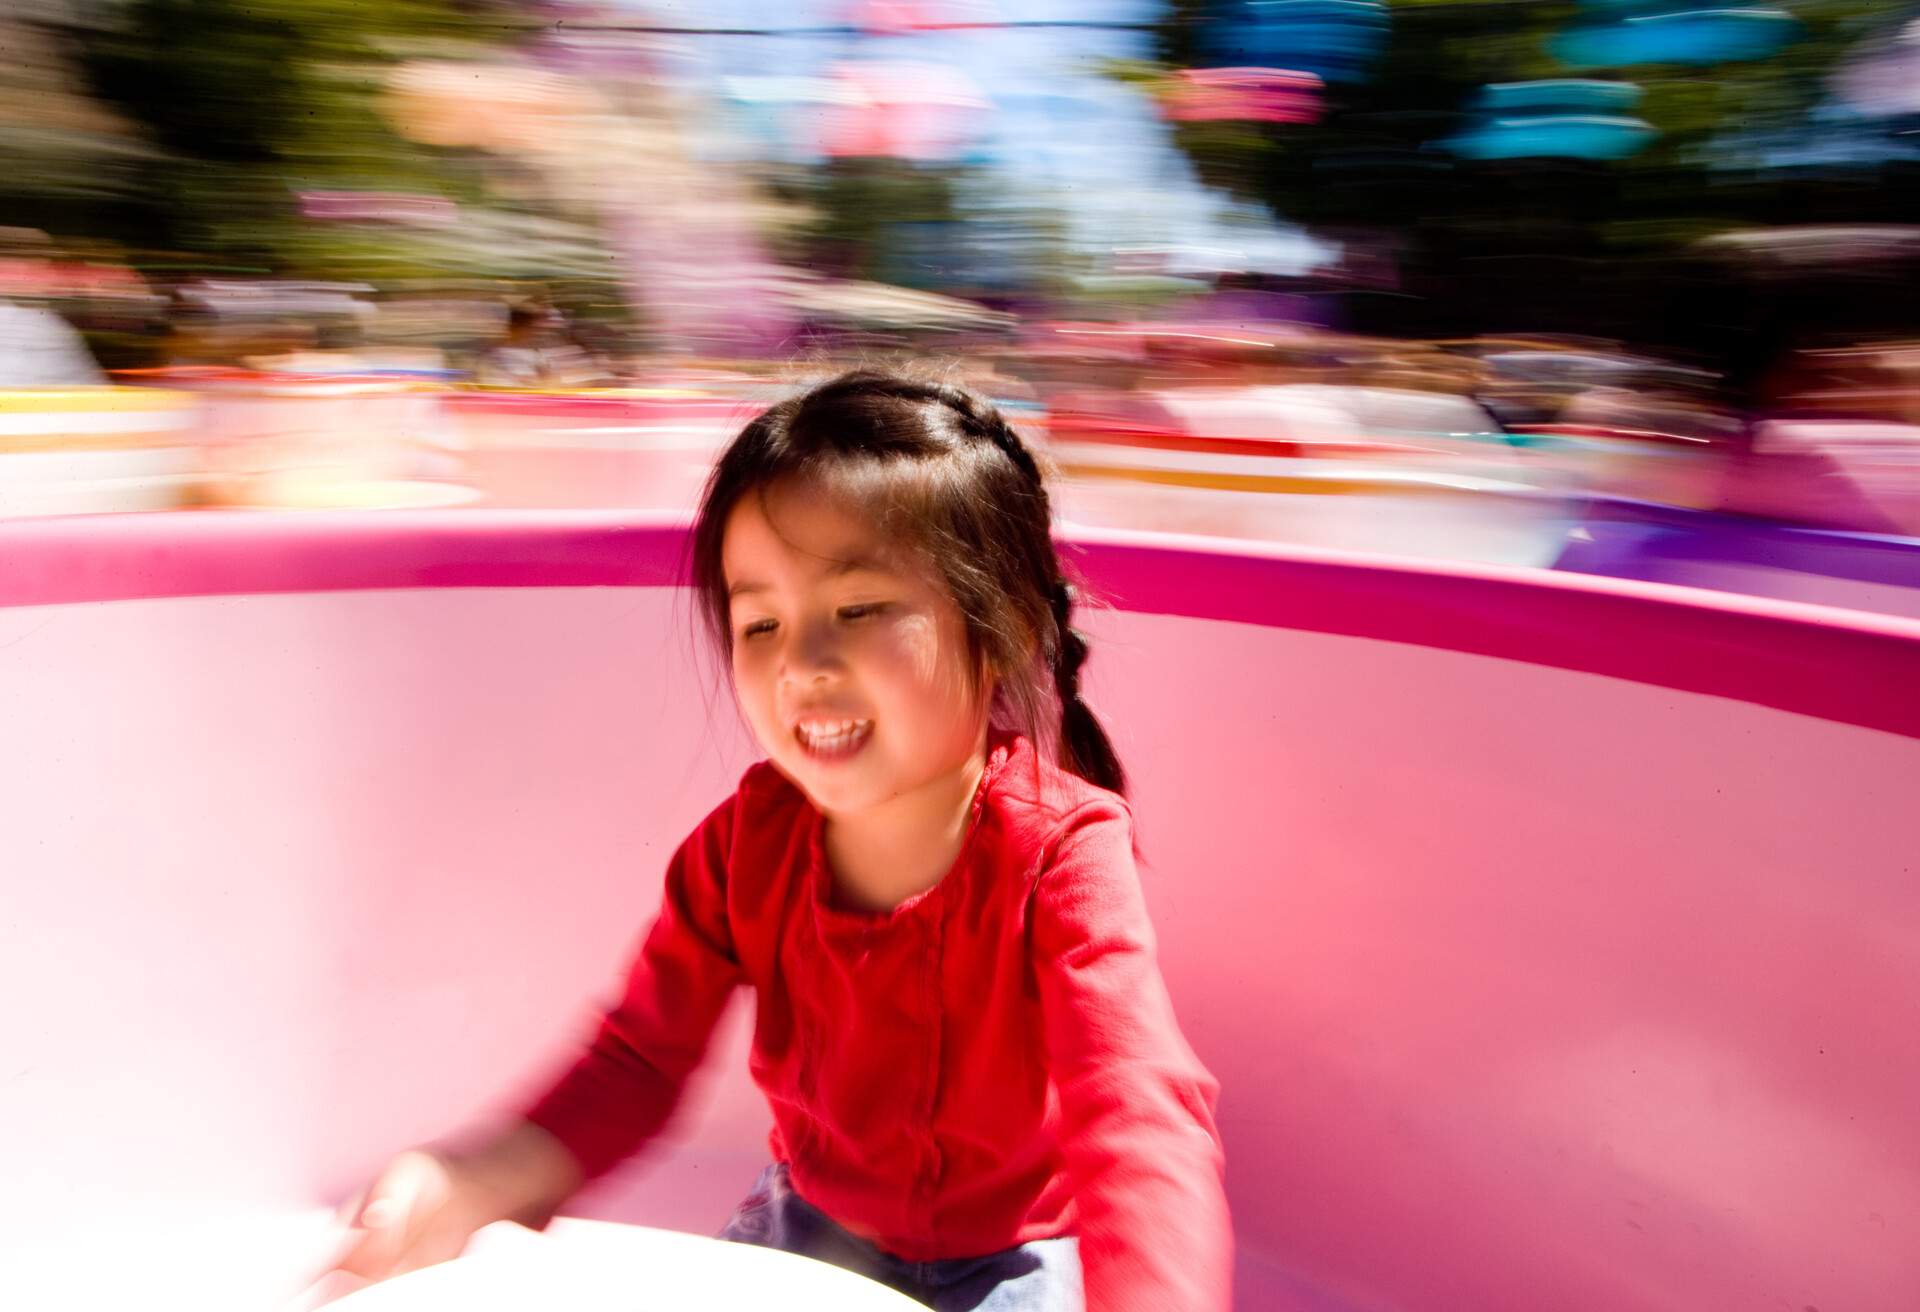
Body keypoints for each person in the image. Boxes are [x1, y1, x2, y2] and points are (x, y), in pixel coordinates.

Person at [320, 370, 1232, 1310]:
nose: (799, 664)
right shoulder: (742, 851)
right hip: (804, 1234)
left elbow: (1135, 1116)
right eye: (761, 622)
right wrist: (478, 1179)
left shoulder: (1062, 853)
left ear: (998, 628)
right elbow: (636, 1059)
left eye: (857, 609)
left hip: (1005, 1267)